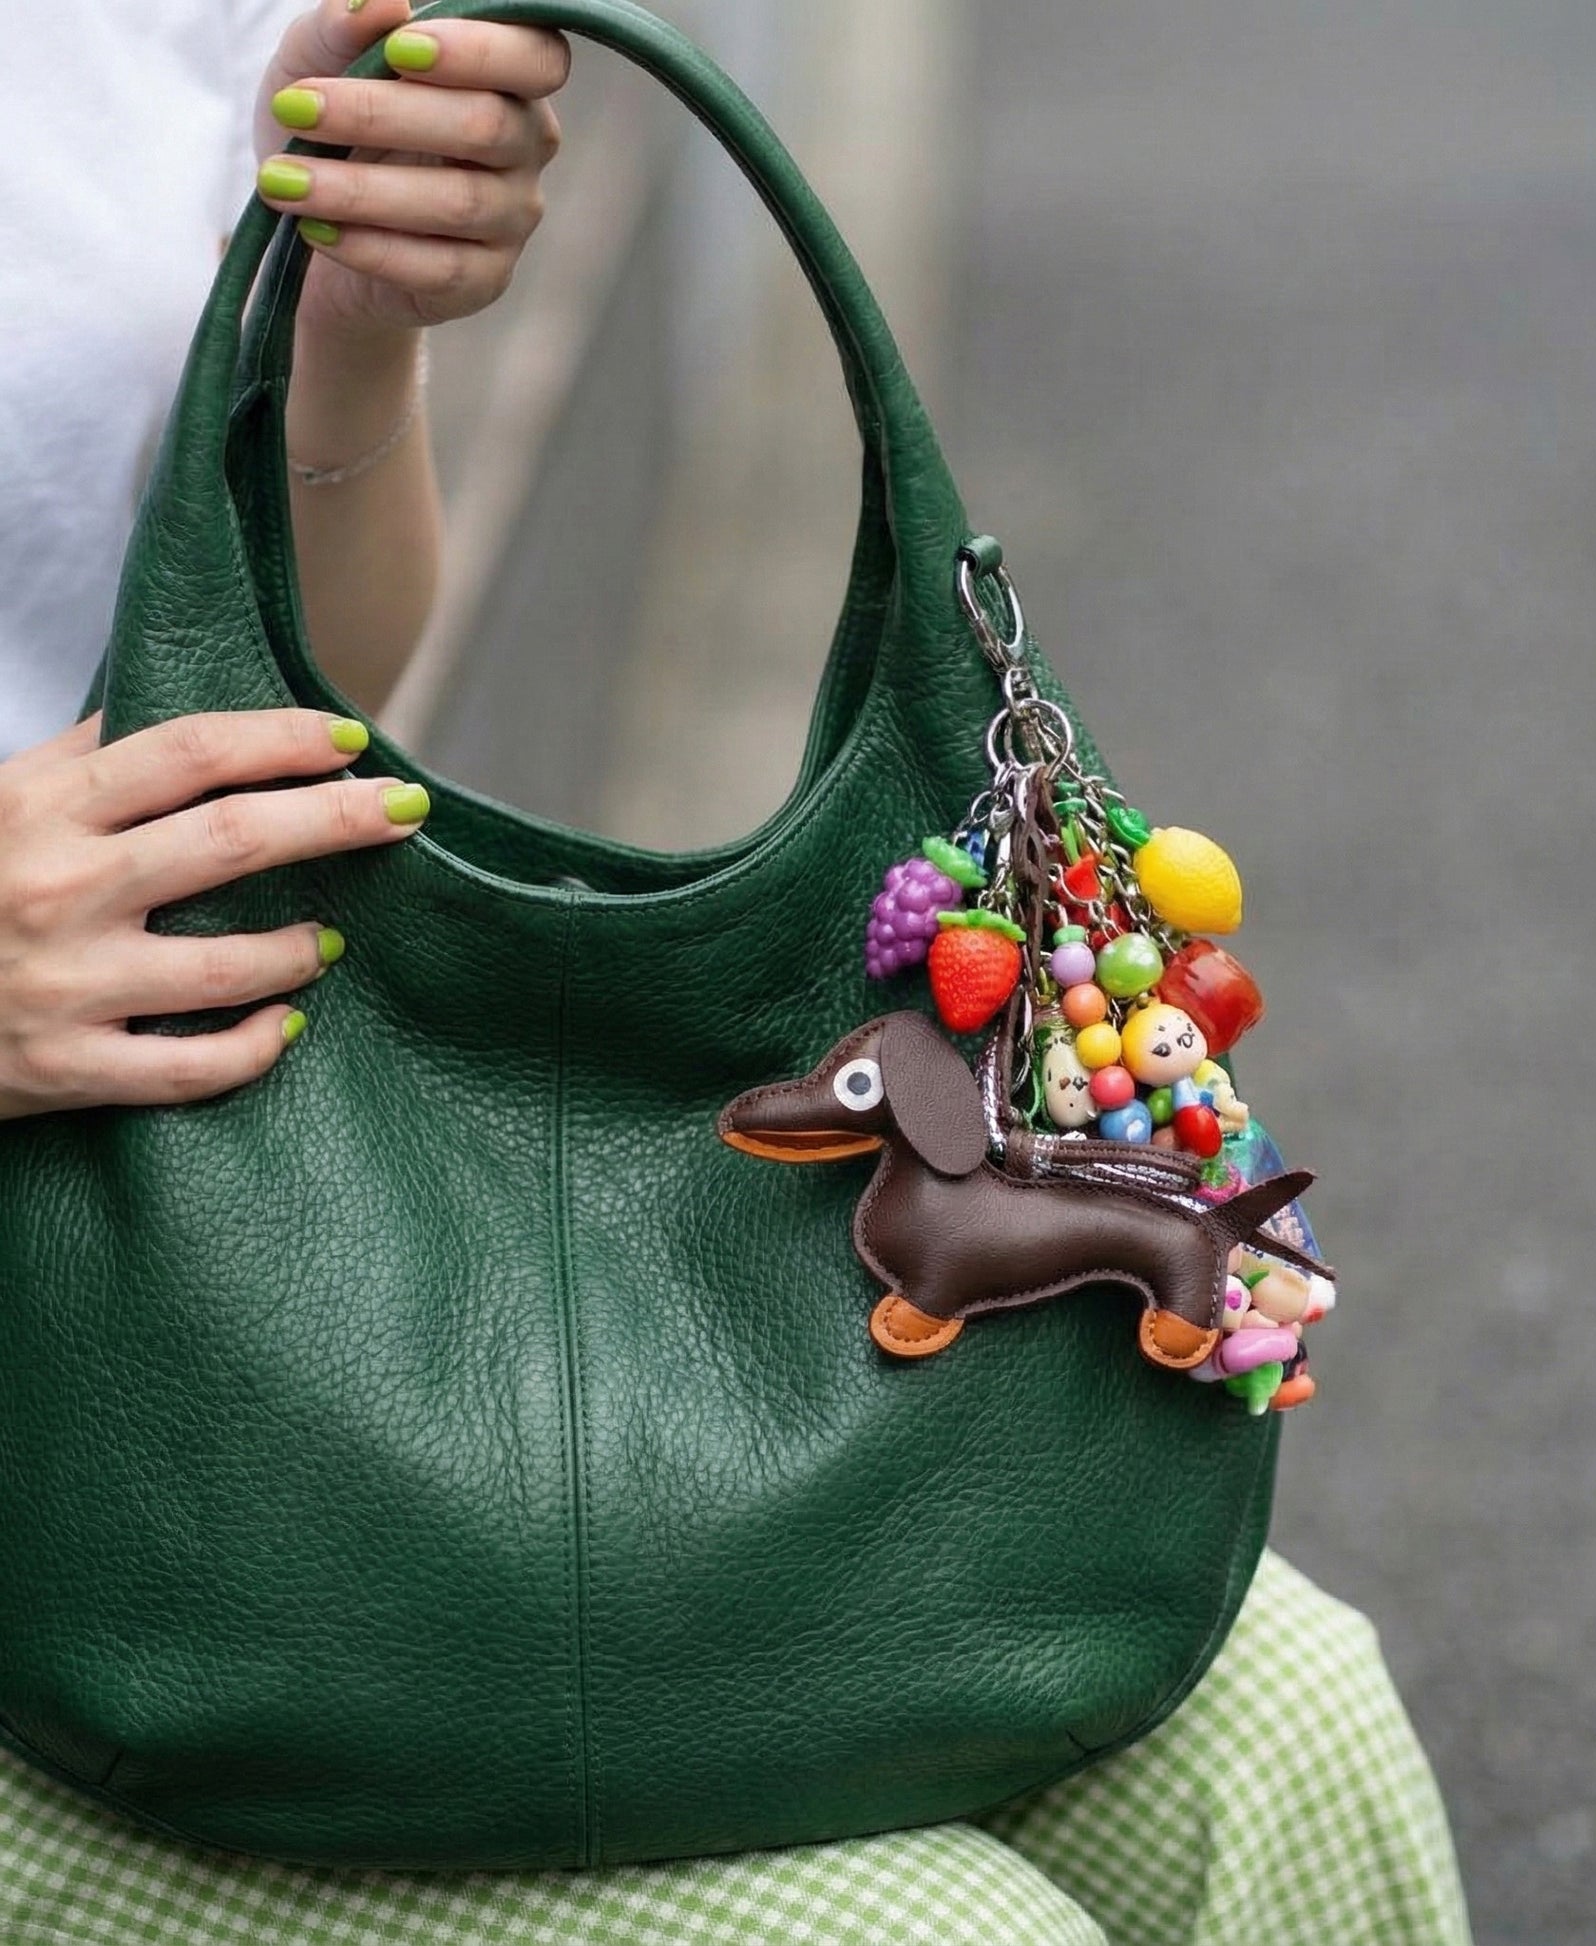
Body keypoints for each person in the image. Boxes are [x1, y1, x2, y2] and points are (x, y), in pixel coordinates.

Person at [0, 2, 1472, 1938]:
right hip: (89, 1417)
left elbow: (293, 696)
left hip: (164, 1158)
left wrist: (347, 336)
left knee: (1297, 1728)